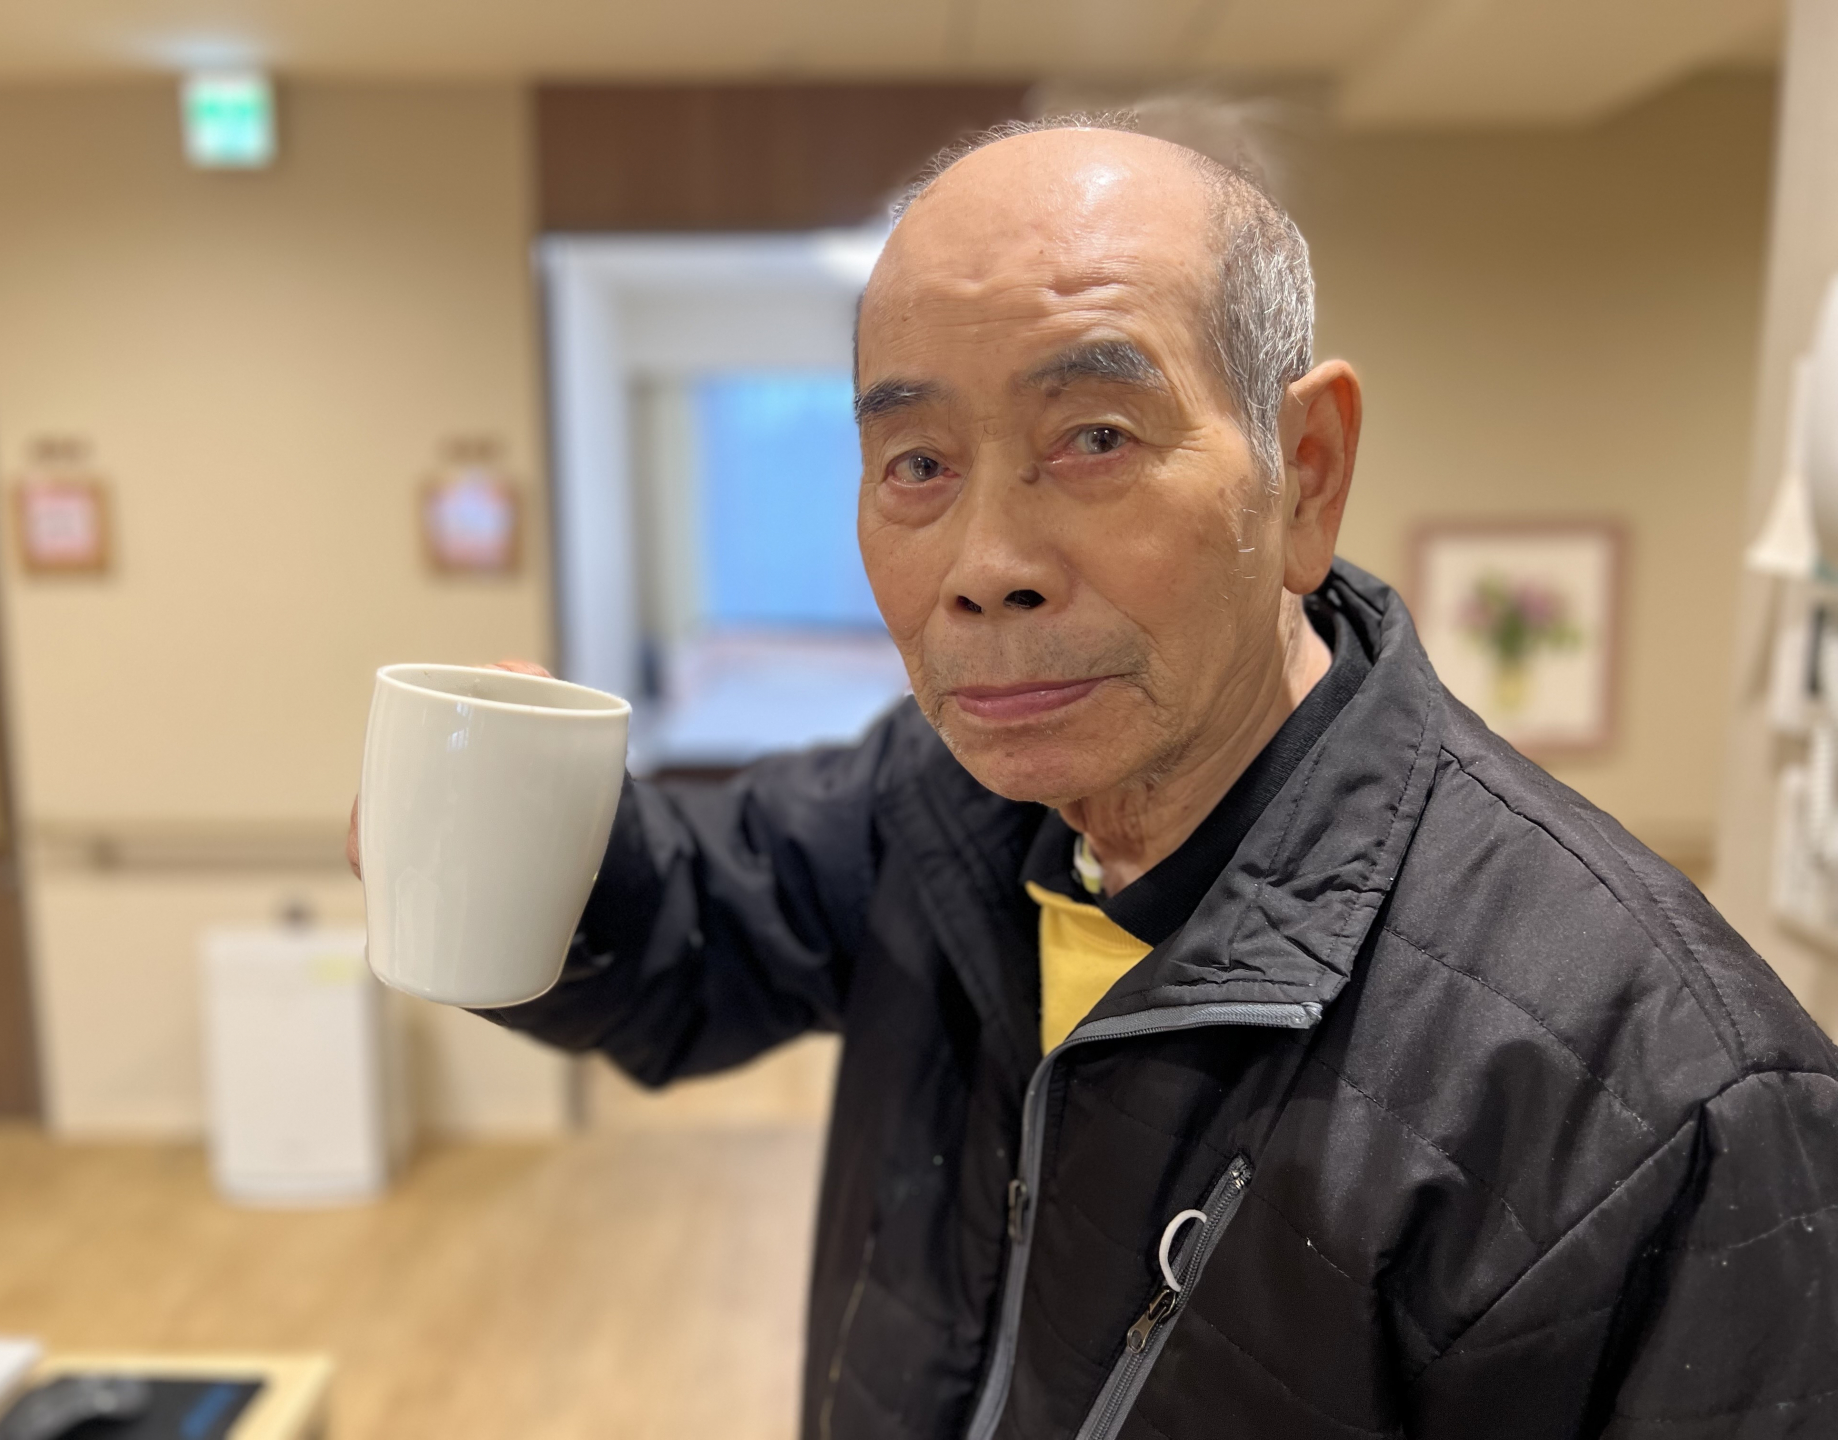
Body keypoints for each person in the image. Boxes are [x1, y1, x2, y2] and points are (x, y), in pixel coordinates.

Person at [351, 119, 1838, 1438]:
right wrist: (534, 852)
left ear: (1305, 473)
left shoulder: (1669, 1099)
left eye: (1096, 439)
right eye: (917, 464)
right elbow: (691, 929)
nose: (985, 566)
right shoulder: (941, 803)